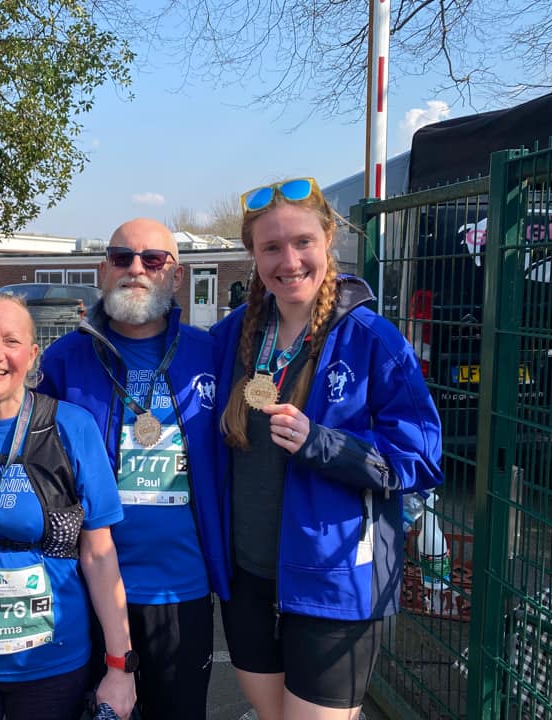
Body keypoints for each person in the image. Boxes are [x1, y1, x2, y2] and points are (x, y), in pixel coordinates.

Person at [211, 178, 444, 719]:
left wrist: (324, 444)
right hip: (248, 578)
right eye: (271, 247)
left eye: (301, 243)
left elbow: (421, 459)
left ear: (329, 240)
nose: (288, 261)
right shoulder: (231, 339)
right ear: (253, 255)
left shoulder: (373, 340)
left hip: (334, 584)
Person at [38, 218, 229, 720]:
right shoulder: (63, 360)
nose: (135, 269)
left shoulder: (213, 354)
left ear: (177, 275)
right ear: (103, 270)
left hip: (181, 587)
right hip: (86, 586)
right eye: (121, 258)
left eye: (153, 259)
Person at [0, 292, 136, 720]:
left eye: (11, 341)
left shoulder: (72, 426)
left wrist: (119, 666)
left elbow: (100, 554)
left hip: (52, 664)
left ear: (33, 355)